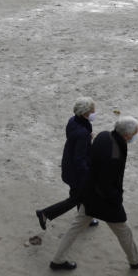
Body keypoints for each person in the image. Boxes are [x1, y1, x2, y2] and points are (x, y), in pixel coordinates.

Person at [48, 116, 138, 271]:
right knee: (123, 230)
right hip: (103, 200)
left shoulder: (104, 135)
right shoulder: (115, 154)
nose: (134, 137)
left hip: (89, 194)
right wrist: (116, 200)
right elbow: (107, 184)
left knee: (76, 227)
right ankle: (135, 261)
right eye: (134, 134)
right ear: (126, 135)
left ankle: (57, 260)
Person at [35, 98, 100, 230]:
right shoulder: (83, 133)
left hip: (68, 164)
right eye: (92, 111)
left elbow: (74, 139)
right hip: (76, 171)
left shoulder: (73, 121)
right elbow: (79, 159)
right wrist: (89, 174)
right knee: (77, 197)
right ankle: (45, 213)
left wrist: (88, 137)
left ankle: (86, 219)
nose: (94, 113)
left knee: (79, 195)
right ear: (85, 113)